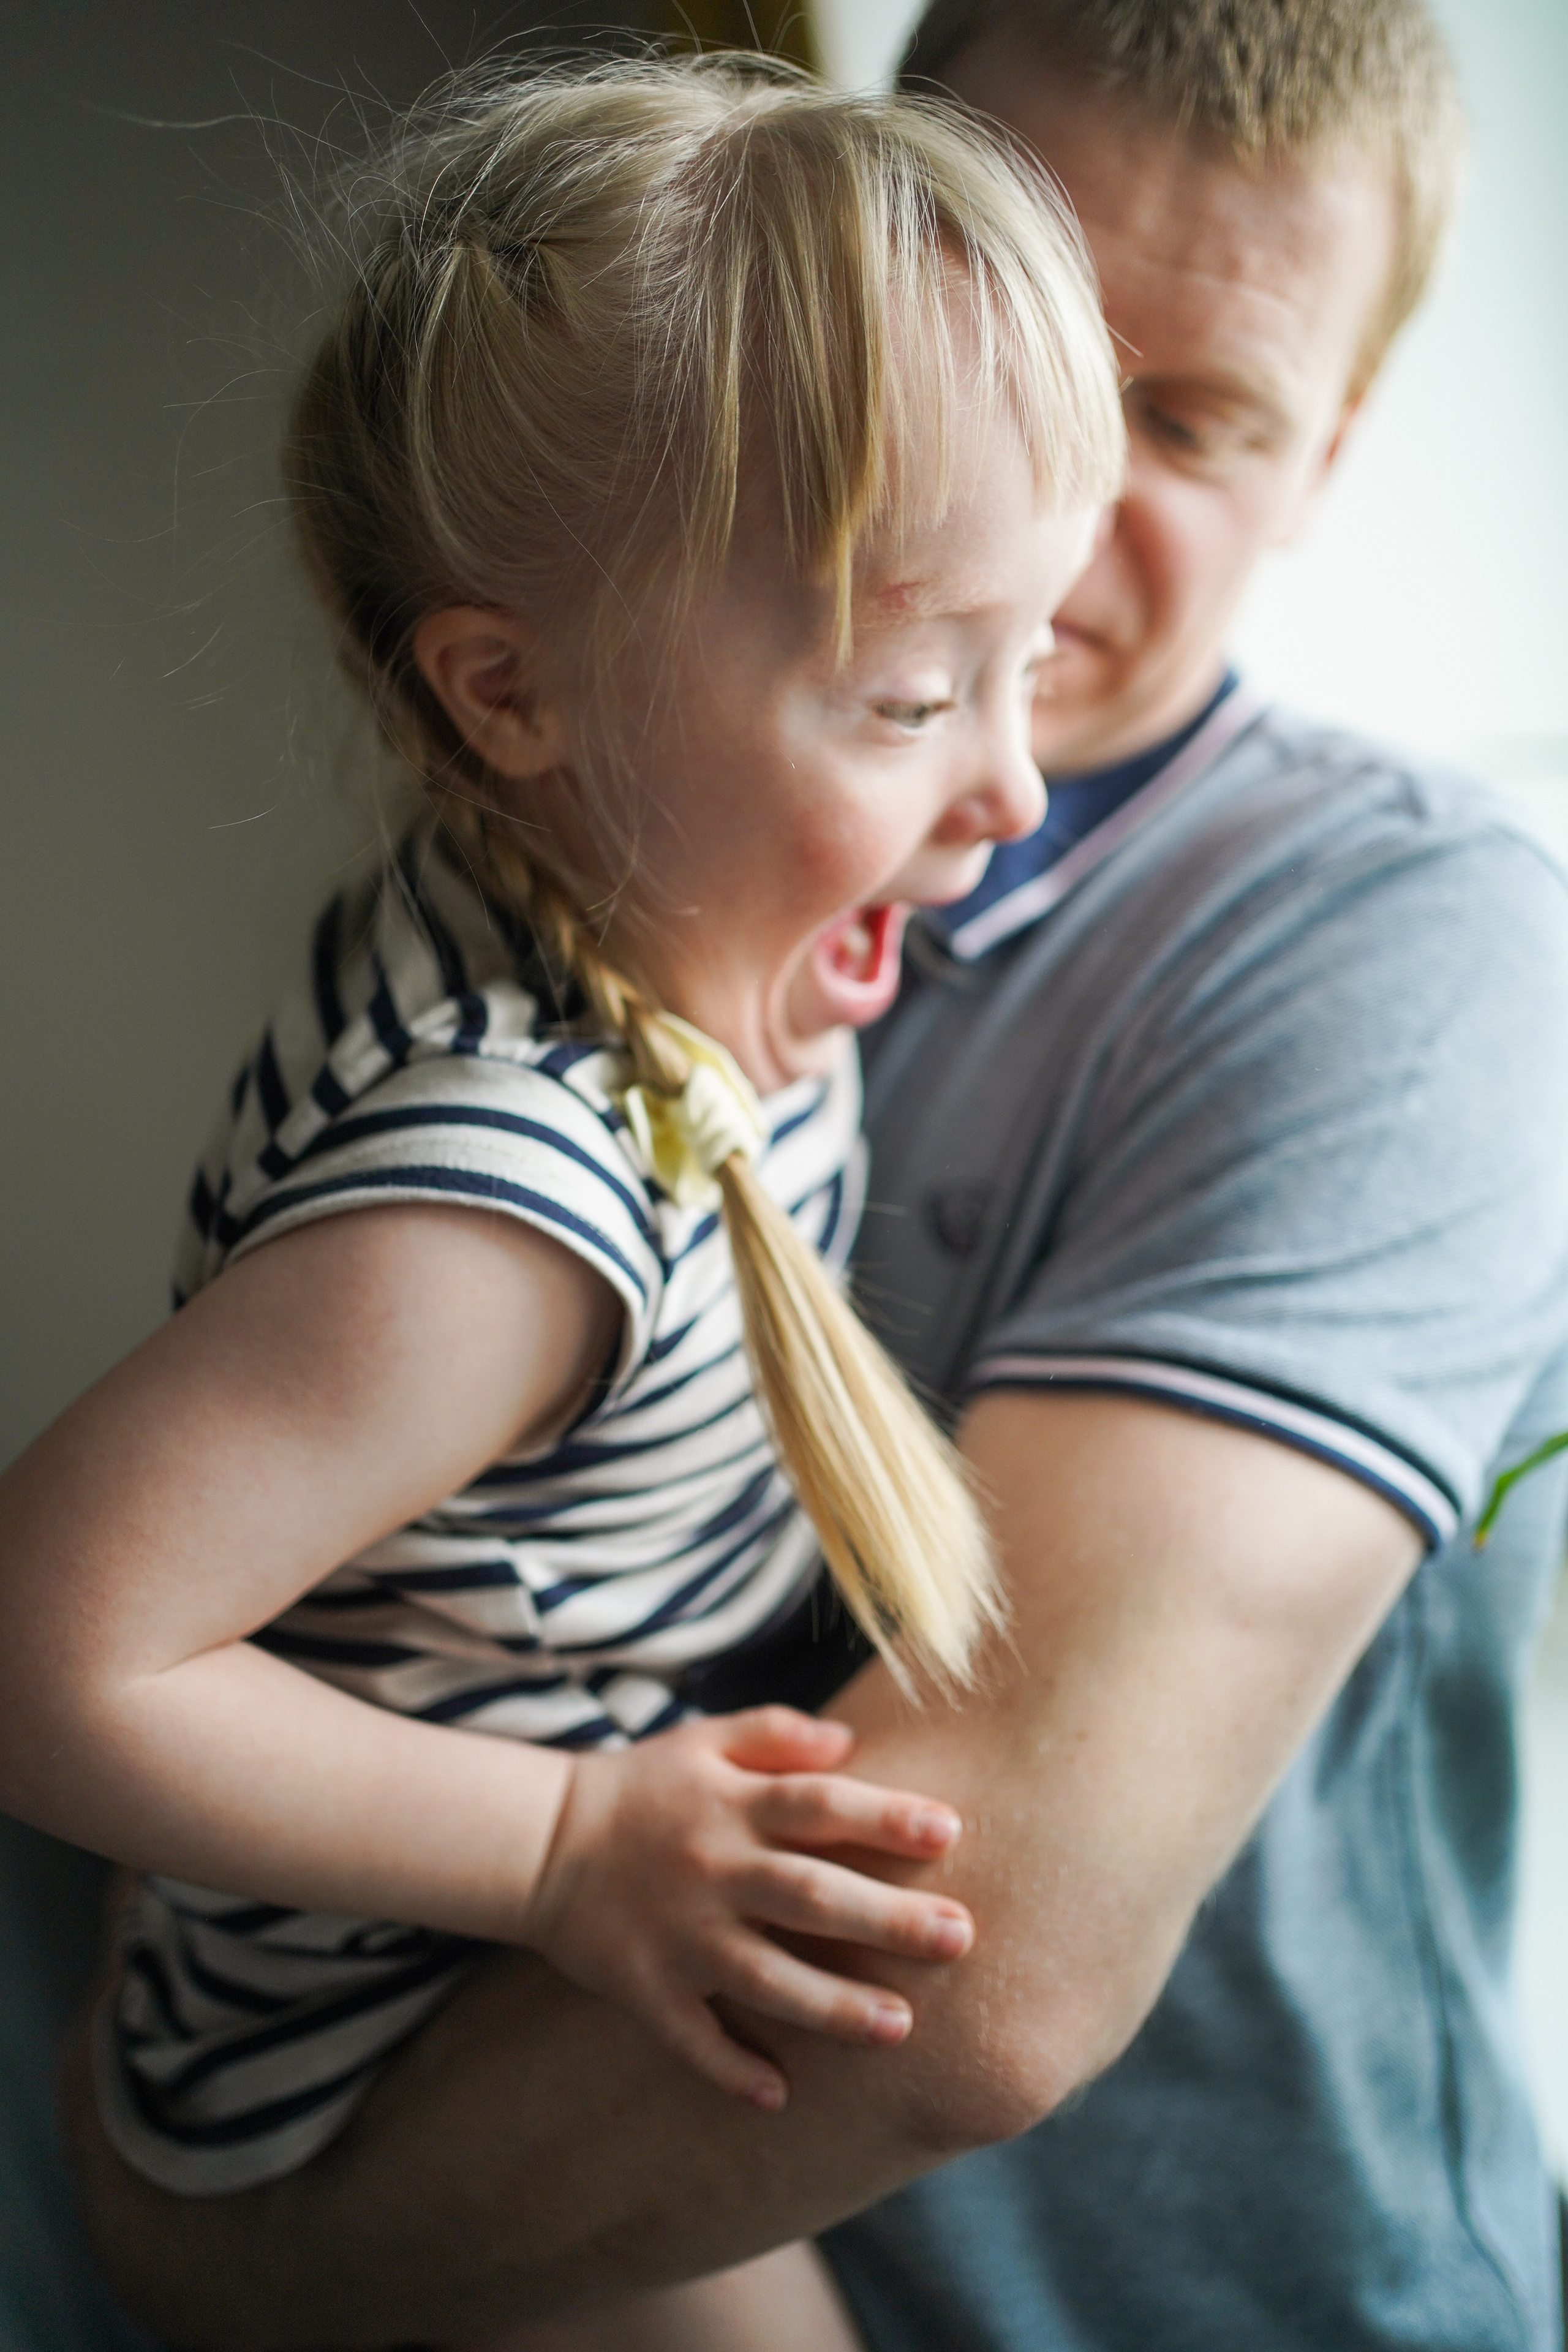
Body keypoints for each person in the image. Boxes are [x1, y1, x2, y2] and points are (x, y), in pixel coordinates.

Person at [55, 4, 1568, 2348]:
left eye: (1186, 419)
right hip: (433, 2075)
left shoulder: (1387, 944)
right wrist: (538, 1864)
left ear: (1330, 455)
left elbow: (981, 1976)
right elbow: (120, 1625)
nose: (1006, 780)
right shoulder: (571, 1068)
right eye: (1006, 322)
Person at [0, 49, 1121, 2352]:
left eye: (1034, 657)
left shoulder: (646, 896)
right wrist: (564, 1849)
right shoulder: (494, 1225)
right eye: (910, 697)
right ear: (514, 695)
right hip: (359, 2047)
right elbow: (47, 1658)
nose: (1015, 785)